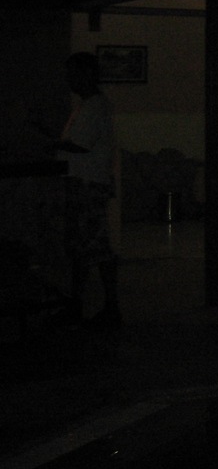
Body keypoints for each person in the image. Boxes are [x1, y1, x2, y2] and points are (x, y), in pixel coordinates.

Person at [51, 51, 121, 327]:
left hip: (87, 186)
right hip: (84, 185)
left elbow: (79, 145)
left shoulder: (93, 107)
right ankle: (79, 304)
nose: (69, 80)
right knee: (83, 248)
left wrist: (50, 141)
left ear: (86, 75)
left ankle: (108, 307)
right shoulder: (89, 106)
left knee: (95, 249)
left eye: (72, 74)